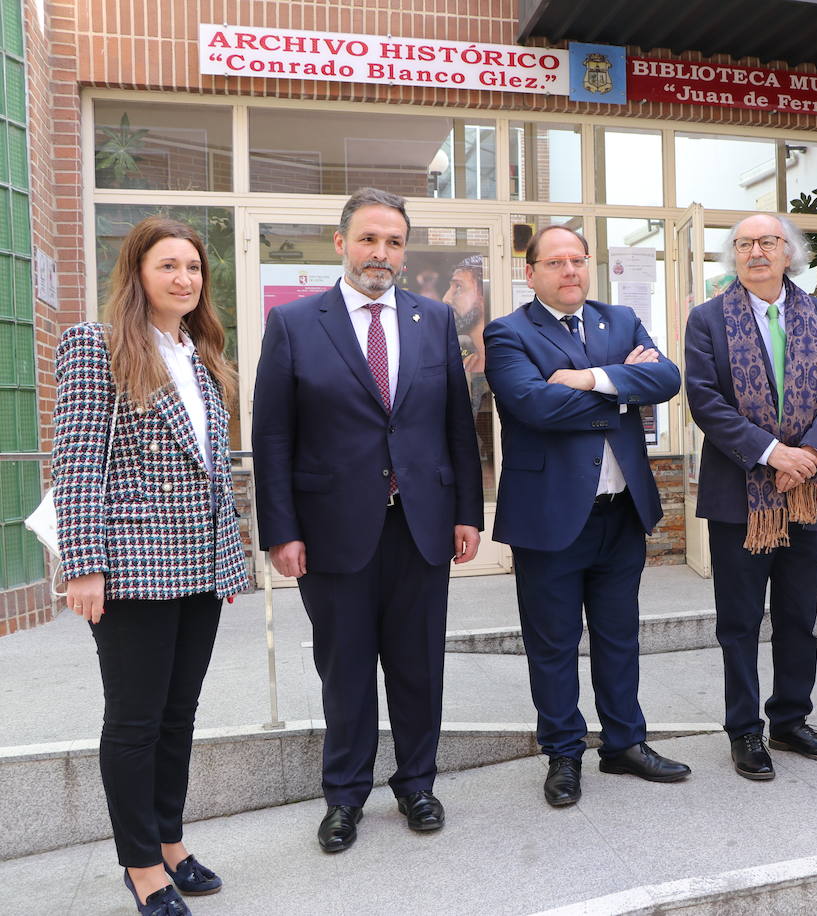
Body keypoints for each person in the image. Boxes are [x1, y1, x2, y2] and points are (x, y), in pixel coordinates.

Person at [252, 188, 483, 852]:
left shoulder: (433, 320)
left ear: (404, 252)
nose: (381, 253)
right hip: (330, 533)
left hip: (422, 526)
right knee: (345, 669)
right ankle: (344, 797)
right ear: (341, 244)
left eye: (394, 242)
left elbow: (456, 428)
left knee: (418, 667)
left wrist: (468, 510)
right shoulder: (295, 323)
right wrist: (281, 530)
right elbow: (273, 437)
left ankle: (417, 785)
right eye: (369, 239)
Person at [53, 217, 248, 914]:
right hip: (131, 564)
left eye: (193, 268)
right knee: (134, 722)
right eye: (169, 266)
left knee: (179, 715)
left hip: (199, 562)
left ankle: (170, 842)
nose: (184, 279)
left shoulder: (202, 353)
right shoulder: (96, 344)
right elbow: (76, 464)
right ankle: (141, 869)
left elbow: (212, 469)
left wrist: (229, 557)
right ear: (137, 272)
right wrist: (83, 565)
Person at [483, 225, 690, 807]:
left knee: (619, 636)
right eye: (556, 262)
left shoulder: (618, 320)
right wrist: (623, 389)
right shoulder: (508, 333)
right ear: (532, 273)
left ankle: (625, 743)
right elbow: (533, 405)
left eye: (578, 260)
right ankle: (563, 754)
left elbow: (667, 380)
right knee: (552, 643)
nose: (570, 270)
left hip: (620, 511)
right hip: (549, 517)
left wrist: (587, 379)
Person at [684, 213, 817, 781]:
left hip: (808, 494)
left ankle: (790, 720)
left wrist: (809, 456)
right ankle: (744, 730)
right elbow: (706, 401)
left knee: (798, 616)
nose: (756, 252)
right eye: (744, 244)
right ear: (733, 256)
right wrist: (771, 454)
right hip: (742, 498)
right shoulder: (708, 320)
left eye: (768, 242)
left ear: (790, 253)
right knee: (738, 622)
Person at [444, 256, 490, 415]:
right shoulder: (468, 362)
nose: (446, 299)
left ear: (483, 295)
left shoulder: (504, 359)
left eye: (458, 287)